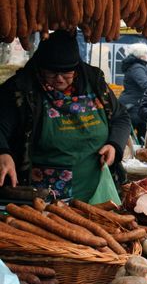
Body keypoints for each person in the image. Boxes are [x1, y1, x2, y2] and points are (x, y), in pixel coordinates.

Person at [0, 30, 131, 201]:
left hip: (96, 194)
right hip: (39, 198)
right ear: (40, 66)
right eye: (52, 73)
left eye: (67, 72)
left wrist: (115, 145)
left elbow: (121, 117)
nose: (60, 79)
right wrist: (3, 152)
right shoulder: (20, 89)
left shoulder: (94, 82)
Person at [119, 43, 147, 141]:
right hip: (133, 107)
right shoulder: (137, 67)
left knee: (135, 137)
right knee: (127, 138)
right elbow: (146, 85)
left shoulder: (138, 66)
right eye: (146, 53)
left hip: (136, 105)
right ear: (141, 55)